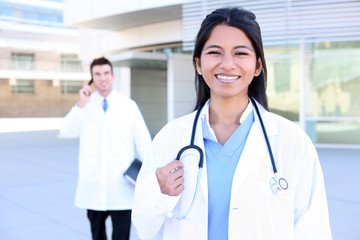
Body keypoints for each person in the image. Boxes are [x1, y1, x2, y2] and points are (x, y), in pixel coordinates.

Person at [132, 7, 332, 240]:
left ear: (258, 66)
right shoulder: (171, 138)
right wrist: (160, 194)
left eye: (240, 53)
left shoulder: (292, 141)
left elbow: (313, 230)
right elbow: (143, 228)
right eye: (215, 52)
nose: (227, 64)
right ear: (198, 63)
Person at [60, 57, 152, 240]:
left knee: (121, 236)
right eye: (97, 74)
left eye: (106, 73)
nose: (103, 78)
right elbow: (66, 131)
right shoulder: (85, 105)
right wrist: (80, 104)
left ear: (113, 76)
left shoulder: (128, 105)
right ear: (91, 79)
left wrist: (151, 172)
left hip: (122, 186)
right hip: (94, 185)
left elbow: (143, 142)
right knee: (97, 235)